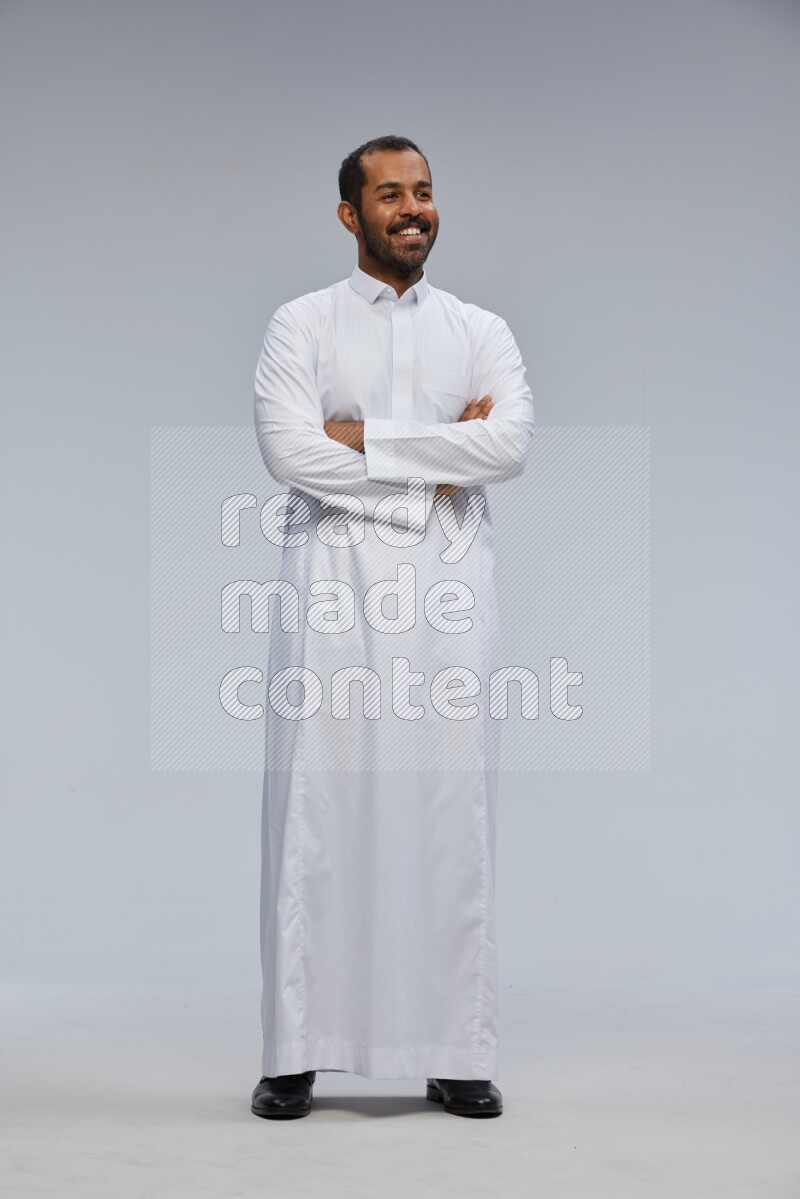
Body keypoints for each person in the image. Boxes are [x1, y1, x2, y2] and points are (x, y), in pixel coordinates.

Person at [251, 134, 534, 1120]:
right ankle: (296, 1047)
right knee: (316, 809)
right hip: (330, 589)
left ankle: (455, 1049)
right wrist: (432, 463)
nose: (410, 208)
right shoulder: (302, 325)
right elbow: (291, 453)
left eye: (421, 191)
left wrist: (361, 436)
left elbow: (506, 444)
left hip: (452, 599)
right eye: (387, 194)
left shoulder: (479, 328)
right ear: (348, 214)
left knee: (449, 803)